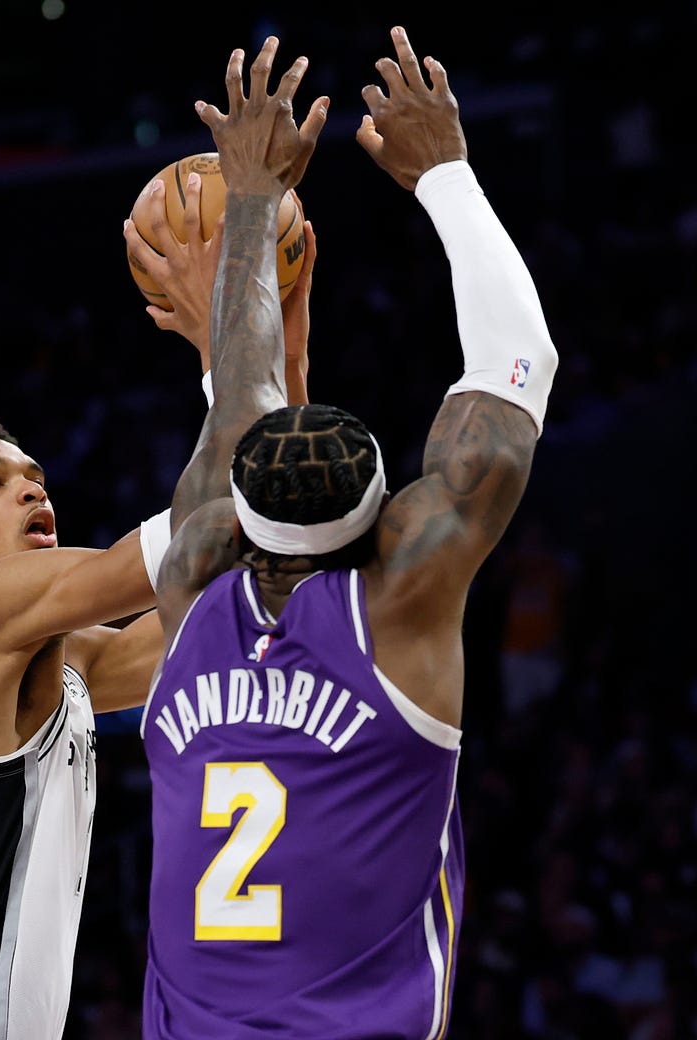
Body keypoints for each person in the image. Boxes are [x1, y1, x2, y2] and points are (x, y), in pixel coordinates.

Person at [0, 66, 326, 1038]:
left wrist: (282, 334)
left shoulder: (61, 667)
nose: (32, 489)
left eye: (35, 474)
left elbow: (245, 569)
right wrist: (234, 283)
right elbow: (209, 522)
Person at [141, 26, 558, 1038]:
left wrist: (250, 200)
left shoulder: (193, 576)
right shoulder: (402, 595)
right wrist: (443, 171)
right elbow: (518, 364)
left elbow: (237, 407)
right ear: (387, 515)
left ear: (236, 512)